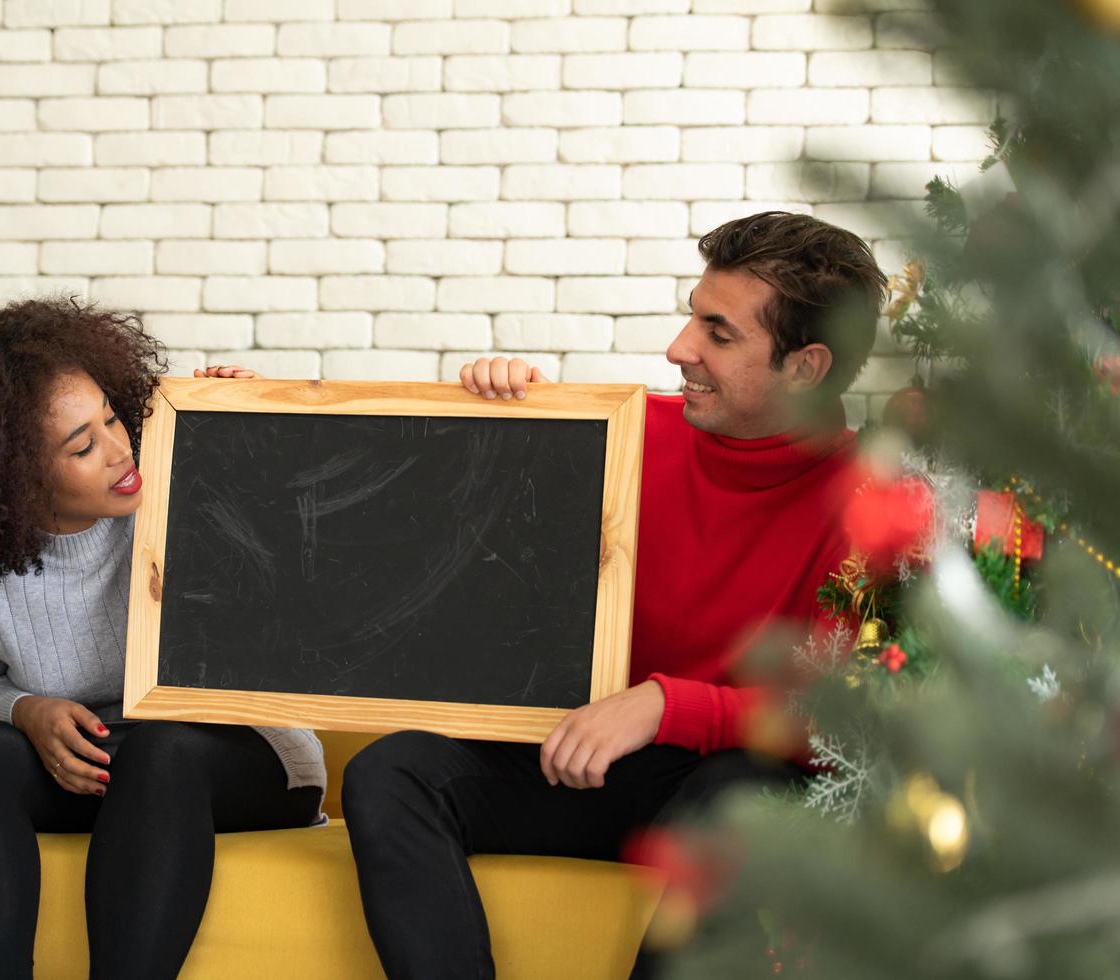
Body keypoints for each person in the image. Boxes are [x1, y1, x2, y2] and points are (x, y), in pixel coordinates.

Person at [340, 211, 889, 978]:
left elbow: (851, 720)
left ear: (806, 367)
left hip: (720, 782)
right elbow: (444, 541)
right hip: (590, 759)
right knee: (389, 772)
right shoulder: (620, 431)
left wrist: (670, 705)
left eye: (718, 334)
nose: (679, 349)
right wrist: (505, 423)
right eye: (692, 316)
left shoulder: (877, 506)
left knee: (743, 794)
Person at [0, 297, 326, 980]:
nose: (119, 450)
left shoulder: (183, 481)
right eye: (82, 446)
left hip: (241, 758)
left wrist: (241, 437)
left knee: (160, 750)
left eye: (113, 418)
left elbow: (310, 598)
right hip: (97, 771)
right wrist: (29, 710)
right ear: (13, 482)